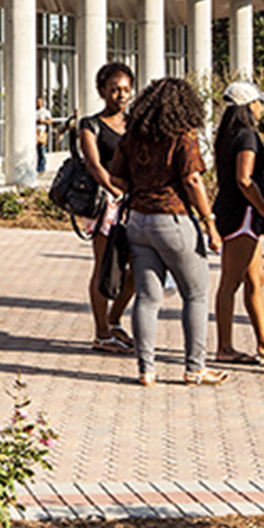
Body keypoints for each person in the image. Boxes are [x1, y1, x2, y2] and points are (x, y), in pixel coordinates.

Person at [107, 77, 225, 386]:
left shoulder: (132, 134)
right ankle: (194, 367)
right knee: (196, 293)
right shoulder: (182, 135)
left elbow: (116, 179)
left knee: (147, 297)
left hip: (138, 220)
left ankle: (146, 370)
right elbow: (192, 180)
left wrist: (140, 187)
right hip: (174, 220)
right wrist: (210, 221)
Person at [211, 81, 264, 365]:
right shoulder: (246, 135)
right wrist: (263, 208)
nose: (261, 107)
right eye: (258, 102)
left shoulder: (230, 135)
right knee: (230, 281)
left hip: (236, 212)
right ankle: (224, 347)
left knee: (255, 279)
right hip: (242, 215)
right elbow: (244, 179)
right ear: (248, 106)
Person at [76, 62, 136, 353]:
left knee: (138, 267)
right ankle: (101, 333)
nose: (120, 95)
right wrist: (116, 191)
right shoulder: (90, 124)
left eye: (125, 90)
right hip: (106, 205)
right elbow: (93, 164)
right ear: (102, 91)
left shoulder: (135, 123)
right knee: (104, 267)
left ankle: (114, 320)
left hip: (135, 202)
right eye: (114, 90)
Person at [35, 96, 52, 178]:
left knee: (42, 150)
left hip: (41, 131)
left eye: (40, 102)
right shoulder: (33, 110)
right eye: (37, 102)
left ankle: (41, 168)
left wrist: (43, 121)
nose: (38, 103)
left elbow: (50, 120)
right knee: (35, 151)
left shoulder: (44, 111)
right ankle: (36, 167)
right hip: (34, 132)